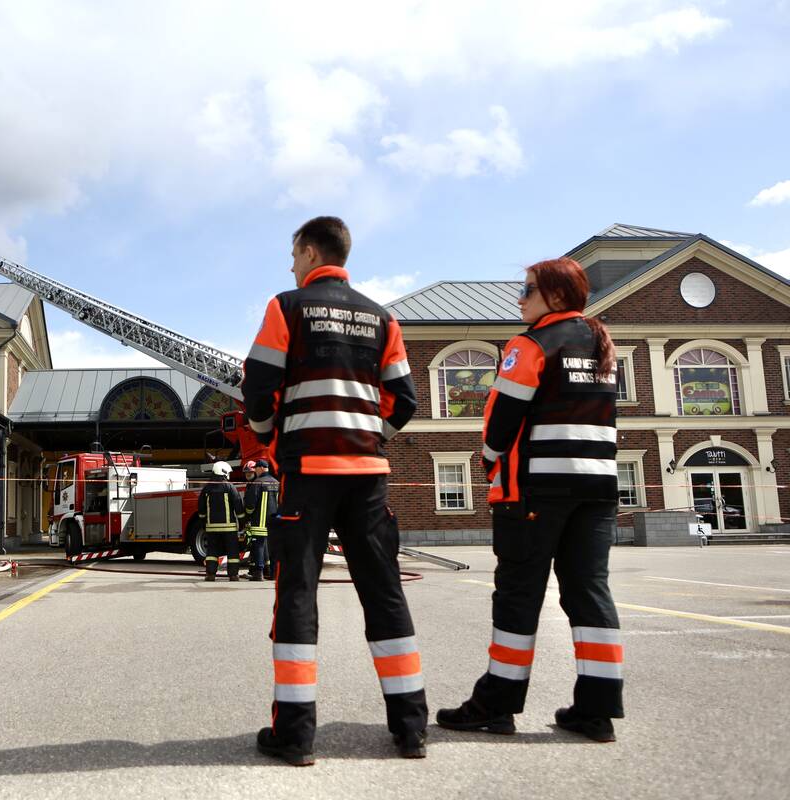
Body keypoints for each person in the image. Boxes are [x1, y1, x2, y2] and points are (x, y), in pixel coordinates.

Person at [242, 216, 426, 765]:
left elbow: (258, 386)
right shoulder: (382, 318)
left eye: (293, 256)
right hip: (367, 476)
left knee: (298, 592)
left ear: (308, 251)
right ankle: (410, 728)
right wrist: (369, 436)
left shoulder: (287, 307)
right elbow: (405, 400)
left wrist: (268, 437)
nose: (290, 267)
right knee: (384, 592)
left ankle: (296, 735)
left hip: (308, 473)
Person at [436, 256, 624, 743]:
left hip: (535, 490)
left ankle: (496, 705)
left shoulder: (532, 344)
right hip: (597, 489)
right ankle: (597, 711)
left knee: (518, 597)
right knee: (589, 593)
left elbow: (501, 418)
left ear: (556, 296)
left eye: (528, 289)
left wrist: (489, 461)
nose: (519, 298)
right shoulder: (601, 344)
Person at [197, 461, 245, 582]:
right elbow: (238, 506)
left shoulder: (207, 488)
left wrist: (204, 523)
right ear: (224, 472)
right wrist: (242, 523)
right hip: (229, 528)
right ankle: (233, 575)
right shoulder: (230, 487)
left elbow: (201, 509)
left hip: (212, 528)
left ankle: (210, 574)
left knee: (212, 552)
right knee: (232, 552)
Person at [242, 459, 278, 581]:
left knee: (259, 546)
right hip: (274, 523)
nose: (255, 471)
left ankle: (258, 573)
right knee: (273, 548)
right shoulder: (276, 482)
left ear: (261, 468)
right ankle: (274, 574)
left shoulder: (257, 483)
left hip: (259, 523)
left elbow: (250, 505)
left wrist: (248, 515)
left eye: (256, 468)